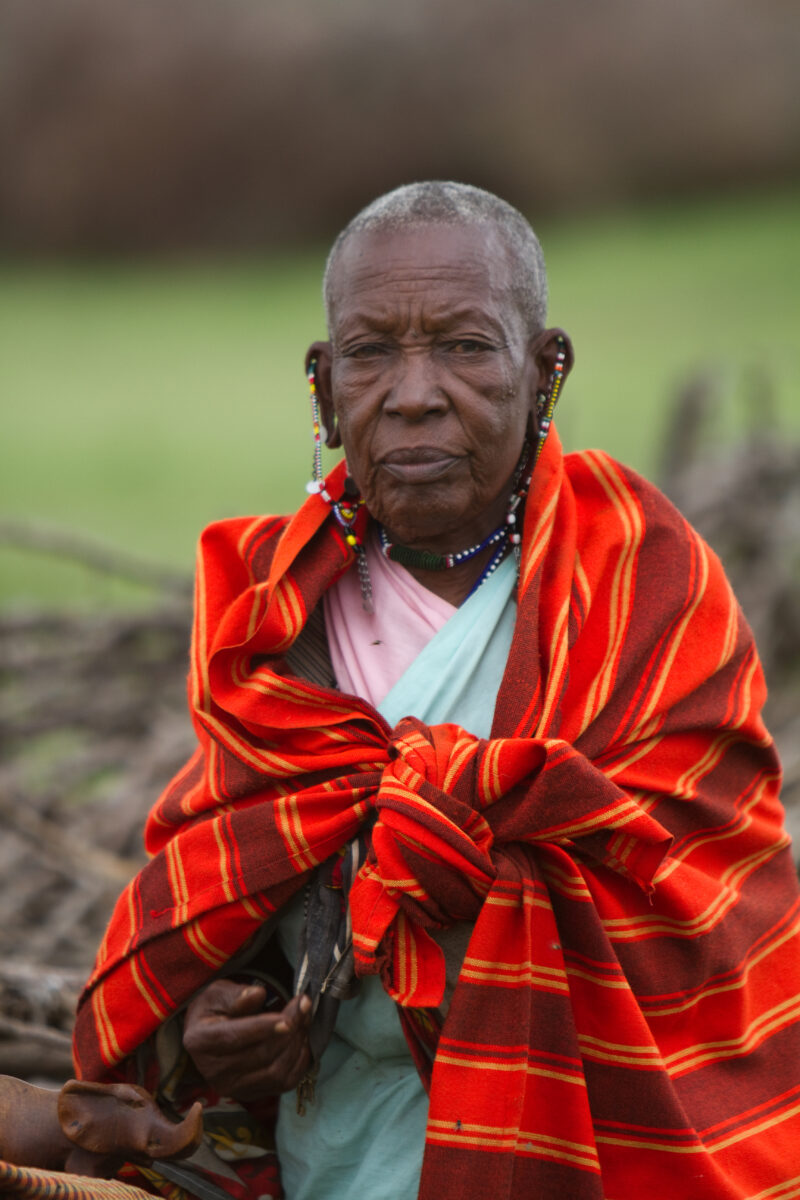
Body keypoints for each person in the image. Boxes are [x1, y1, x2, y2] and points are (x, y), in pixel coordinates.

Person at [73, 182, 800, 1200]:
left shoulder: (639, 580)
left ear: (545, 369)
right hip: (339, 1155)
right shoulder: (267, 620)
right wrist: (222, 1026)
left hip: (598, 1152)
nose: (412, 392)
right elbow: (223, 891)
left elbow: (705, 918)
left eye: (463, 347)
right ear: (323, 388)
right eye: (370, 353)